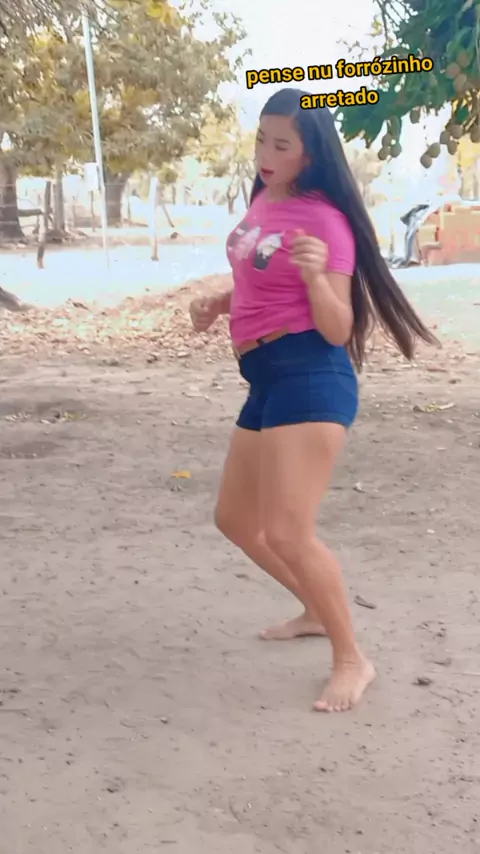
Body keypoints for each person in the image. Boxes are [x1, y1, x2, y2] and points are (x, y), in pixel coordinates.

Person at [189, 88, 439, 713]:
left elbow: (336, 326)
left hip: (309, 375)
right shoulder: (264, 199)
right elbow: (258, 275)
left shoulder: (325, 221)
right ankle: (314, 611)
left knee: (288, 532)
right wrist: (221, 303)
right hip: (266, 376)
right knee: (235, 521)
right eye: (262, 140)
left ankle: (352, 659)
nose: (266, 155)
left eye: (282, 145)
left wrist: (313, 276)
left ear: (310, 153)